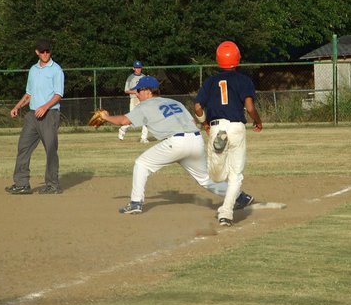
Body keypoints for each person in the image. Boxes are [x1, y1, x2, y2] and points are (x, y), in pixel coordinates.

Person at [99, 75, 253, 225]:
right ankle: (240, 197)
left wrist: (106, 118)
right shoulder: (175, 102)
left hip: (176, 142)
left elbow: (123, 121)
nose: (137, 95)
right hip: (195, 140)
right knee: (205, 179)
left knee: (142, 163)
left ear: (147, 91)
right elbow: (193, 121)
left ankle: (135, 203)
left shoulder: (145, 105)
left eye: (138, 91)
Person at [194, 40, 263, 226]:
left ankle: (226, 209)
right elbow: (249, 107)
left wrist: (204, 123)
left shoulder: (210, 81)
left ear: (218, 60)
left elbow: (198, 107)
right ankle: (226, 213)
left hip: (217, 127)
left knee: (216, 176)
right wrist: (258, 121)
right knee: (236, 176)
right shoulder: (244, 80)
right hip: (236, 127)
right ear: (238, 59)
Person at [5, 39, 64, 195]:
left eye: (48, 51)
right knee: (23, 147)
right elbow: (29, 94)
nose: (45, 54)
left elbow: (58, 94)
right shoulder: (33, 70)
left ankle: (52, 184)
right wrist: (17, 106)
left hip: (49, 114)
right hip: (32, 116)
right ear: (37, 52)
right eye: (42, 51)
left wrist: (45, 107)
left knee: (50, 149)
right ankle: (22, 183)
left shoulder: (56, 70)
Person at [118, 60, 149, 143]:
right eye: (136, 68)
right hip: (134, 99)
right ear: (133, 68)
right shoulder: (130, 78)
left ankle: (143, 138)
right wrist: (135, 92)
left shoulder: (144, 77)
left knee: (146, 119)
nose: (138, 69)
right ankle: (122, 129)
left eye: (139, 67)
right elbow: (126, 90)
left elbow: (147, 88)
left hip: (142, 99)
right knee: (132, 120)